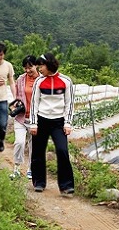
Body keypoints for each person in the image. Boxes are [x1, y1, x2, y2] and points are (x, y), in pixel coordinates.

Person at [28, 53, 75, 195]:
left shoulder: (66, 81)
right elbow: (34, 103)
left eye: (41, 66)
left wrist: (68, 123)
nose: (39, 69)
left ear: (49, 65)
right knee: (37, 152)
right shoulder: (39, 82)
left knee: (62, 151)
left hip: (58, 122)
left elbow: (69, 103)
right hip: (41, 120)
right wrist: (33, 123)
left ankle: (66, 186)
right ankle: (39, 182)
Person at [9, 55, 39, 179]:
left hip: (36, 120)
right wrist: (14, 107)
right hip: (21, 118)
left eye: (30, 67)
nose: (27, 70)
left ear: (36, 65)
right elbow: (16, 96)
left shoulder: (42, 80)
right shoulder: (21, 79)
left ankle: (31, 169)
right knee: (19, 142)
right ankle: (16, 168)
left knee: (34, 146)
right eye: (25, 68)